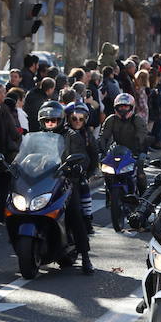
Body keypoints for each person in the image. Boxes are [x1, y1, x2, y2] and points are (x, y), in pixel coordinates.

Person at [37, 101, 95, 274]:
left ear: (60, 120)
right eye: (46, 121)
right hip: (43, 181)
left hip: (66, 181)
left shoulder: (71, 135)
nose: (50, 124)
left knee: (74, 213)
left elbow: (82, 157)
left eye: (53, 121)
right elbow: (28, 154)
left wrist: (78, 167)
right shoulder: (38, 136)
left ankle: (85, 256)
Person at [64, 102, 99, 235]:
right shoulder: (63, 132)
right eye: (74, 118)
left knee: (84, 190)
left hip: (80, 172)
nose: (77, 121)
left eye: (81, 118)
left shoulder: (87, 135)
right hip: (63, 170)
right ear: (68, 118)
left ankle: (87, 219)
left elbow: (94, 154)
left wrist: (91, 172)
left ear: (85, 119)